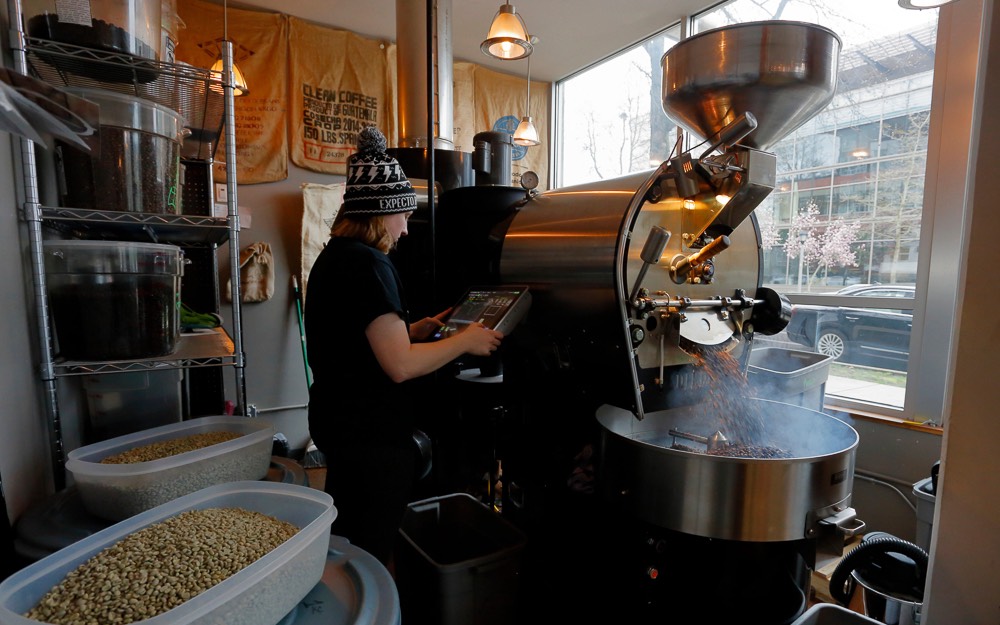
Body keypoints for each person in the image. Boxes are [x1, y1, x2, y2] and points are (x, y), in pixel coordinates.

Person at [304, 126, 503, 569]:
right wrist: (467, 339)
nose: (406, 230)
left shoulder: (334, 256)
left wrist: (413, 329)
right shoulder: (370, 264)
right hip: (370, 435)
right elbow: (399, 367)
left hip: (339, 422)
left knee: (349, 528)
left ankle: (348, 598)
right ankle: (374, 608)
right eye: (404, 217)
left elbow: (357, 340)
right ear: (382, 212)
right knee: (370, 542)